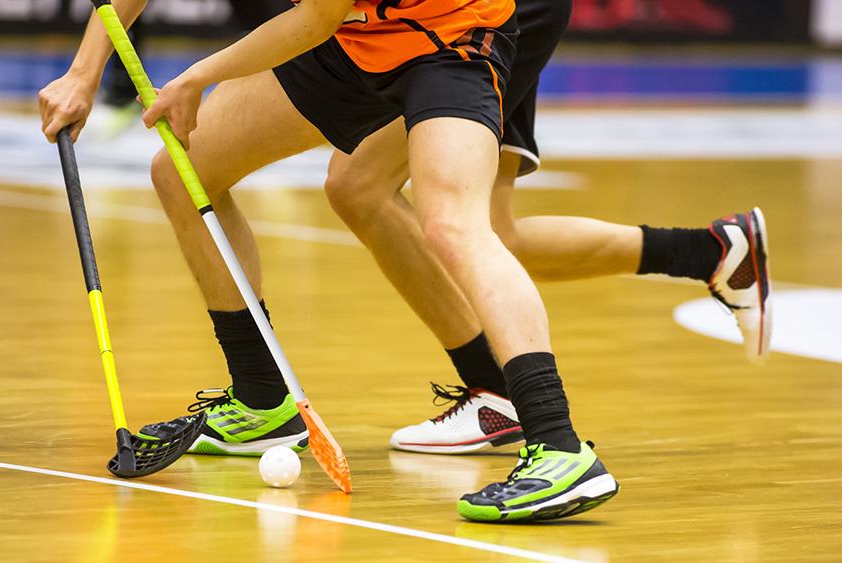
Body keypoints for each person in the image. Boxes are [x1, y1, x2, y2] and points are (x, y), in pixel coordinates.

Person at [40, 0, 623, 522]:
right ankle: (261, 400)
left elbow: (317, 16)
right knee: (183, 170)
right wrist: (84, 72)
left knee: (454, 225)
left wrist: (197, 76)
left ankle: (558, 445)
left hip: (448, 38)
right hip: (352, 38)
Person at [319, 0, 771, 456]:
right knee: (494, 237)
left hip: (476, 18)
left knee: (364, 186)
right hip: (480, 16)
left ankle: (496, 391)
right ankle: (710, 252)